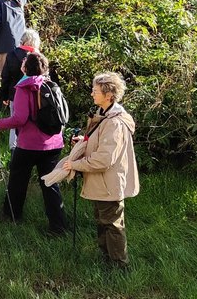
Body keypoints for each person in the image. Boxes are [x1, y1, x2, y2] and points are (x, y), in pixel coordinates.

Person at [0, 52, 68, 236]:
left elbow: (19, 119)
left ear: (25, 68)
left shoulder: (23, 87)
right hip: (54, 144)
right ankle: (59, 227)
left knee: (17, 181)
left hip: (29, 145)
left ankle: (11, 216)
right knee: (50, 184)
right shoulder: (51, 85)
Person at [62, 71, 139, 269]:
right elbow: (101, 145)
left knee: (112, 224)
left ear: (109, 95)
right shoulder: (105, 115)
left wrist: (76, 164)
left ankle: (119, 267)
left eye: (95, 91)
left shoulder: (114, 122)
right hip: (103, 182)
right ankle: (107, 260)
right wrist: (84, 143)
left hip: (109, 183)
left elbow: (104, 159)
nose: (92, 94)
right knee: (103, 221)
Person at [0, 28, 42, 148]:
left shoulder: (12, 55)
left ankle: (14, 150)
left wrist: (5, 95)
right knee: (34, 123)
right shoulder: (38, 57)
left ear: (22, 40)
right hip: (36, 95)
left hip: (15, 94)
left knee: (14, 122)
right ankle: (32, 148)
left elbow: (5, 76)